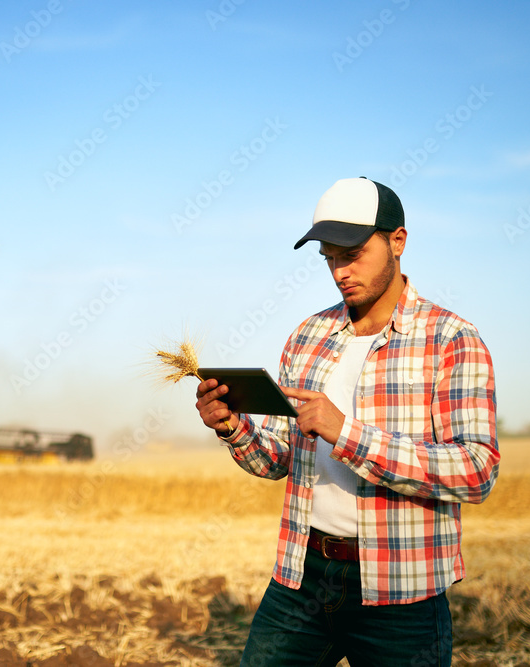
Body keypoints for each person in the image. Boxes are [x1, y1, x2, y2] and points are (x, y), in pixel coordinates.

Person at [194, 177, 499, 667]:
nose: (340, 271)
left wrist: (346, 433)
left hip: (404, 593)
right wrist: (232, 428)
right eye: (330, 257)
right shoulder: (307, 336)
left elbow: (476, 472)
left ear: (397, 241)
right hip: (301, 577)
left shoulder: (452, 340)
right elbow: (280, 461)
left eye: (352, 253)